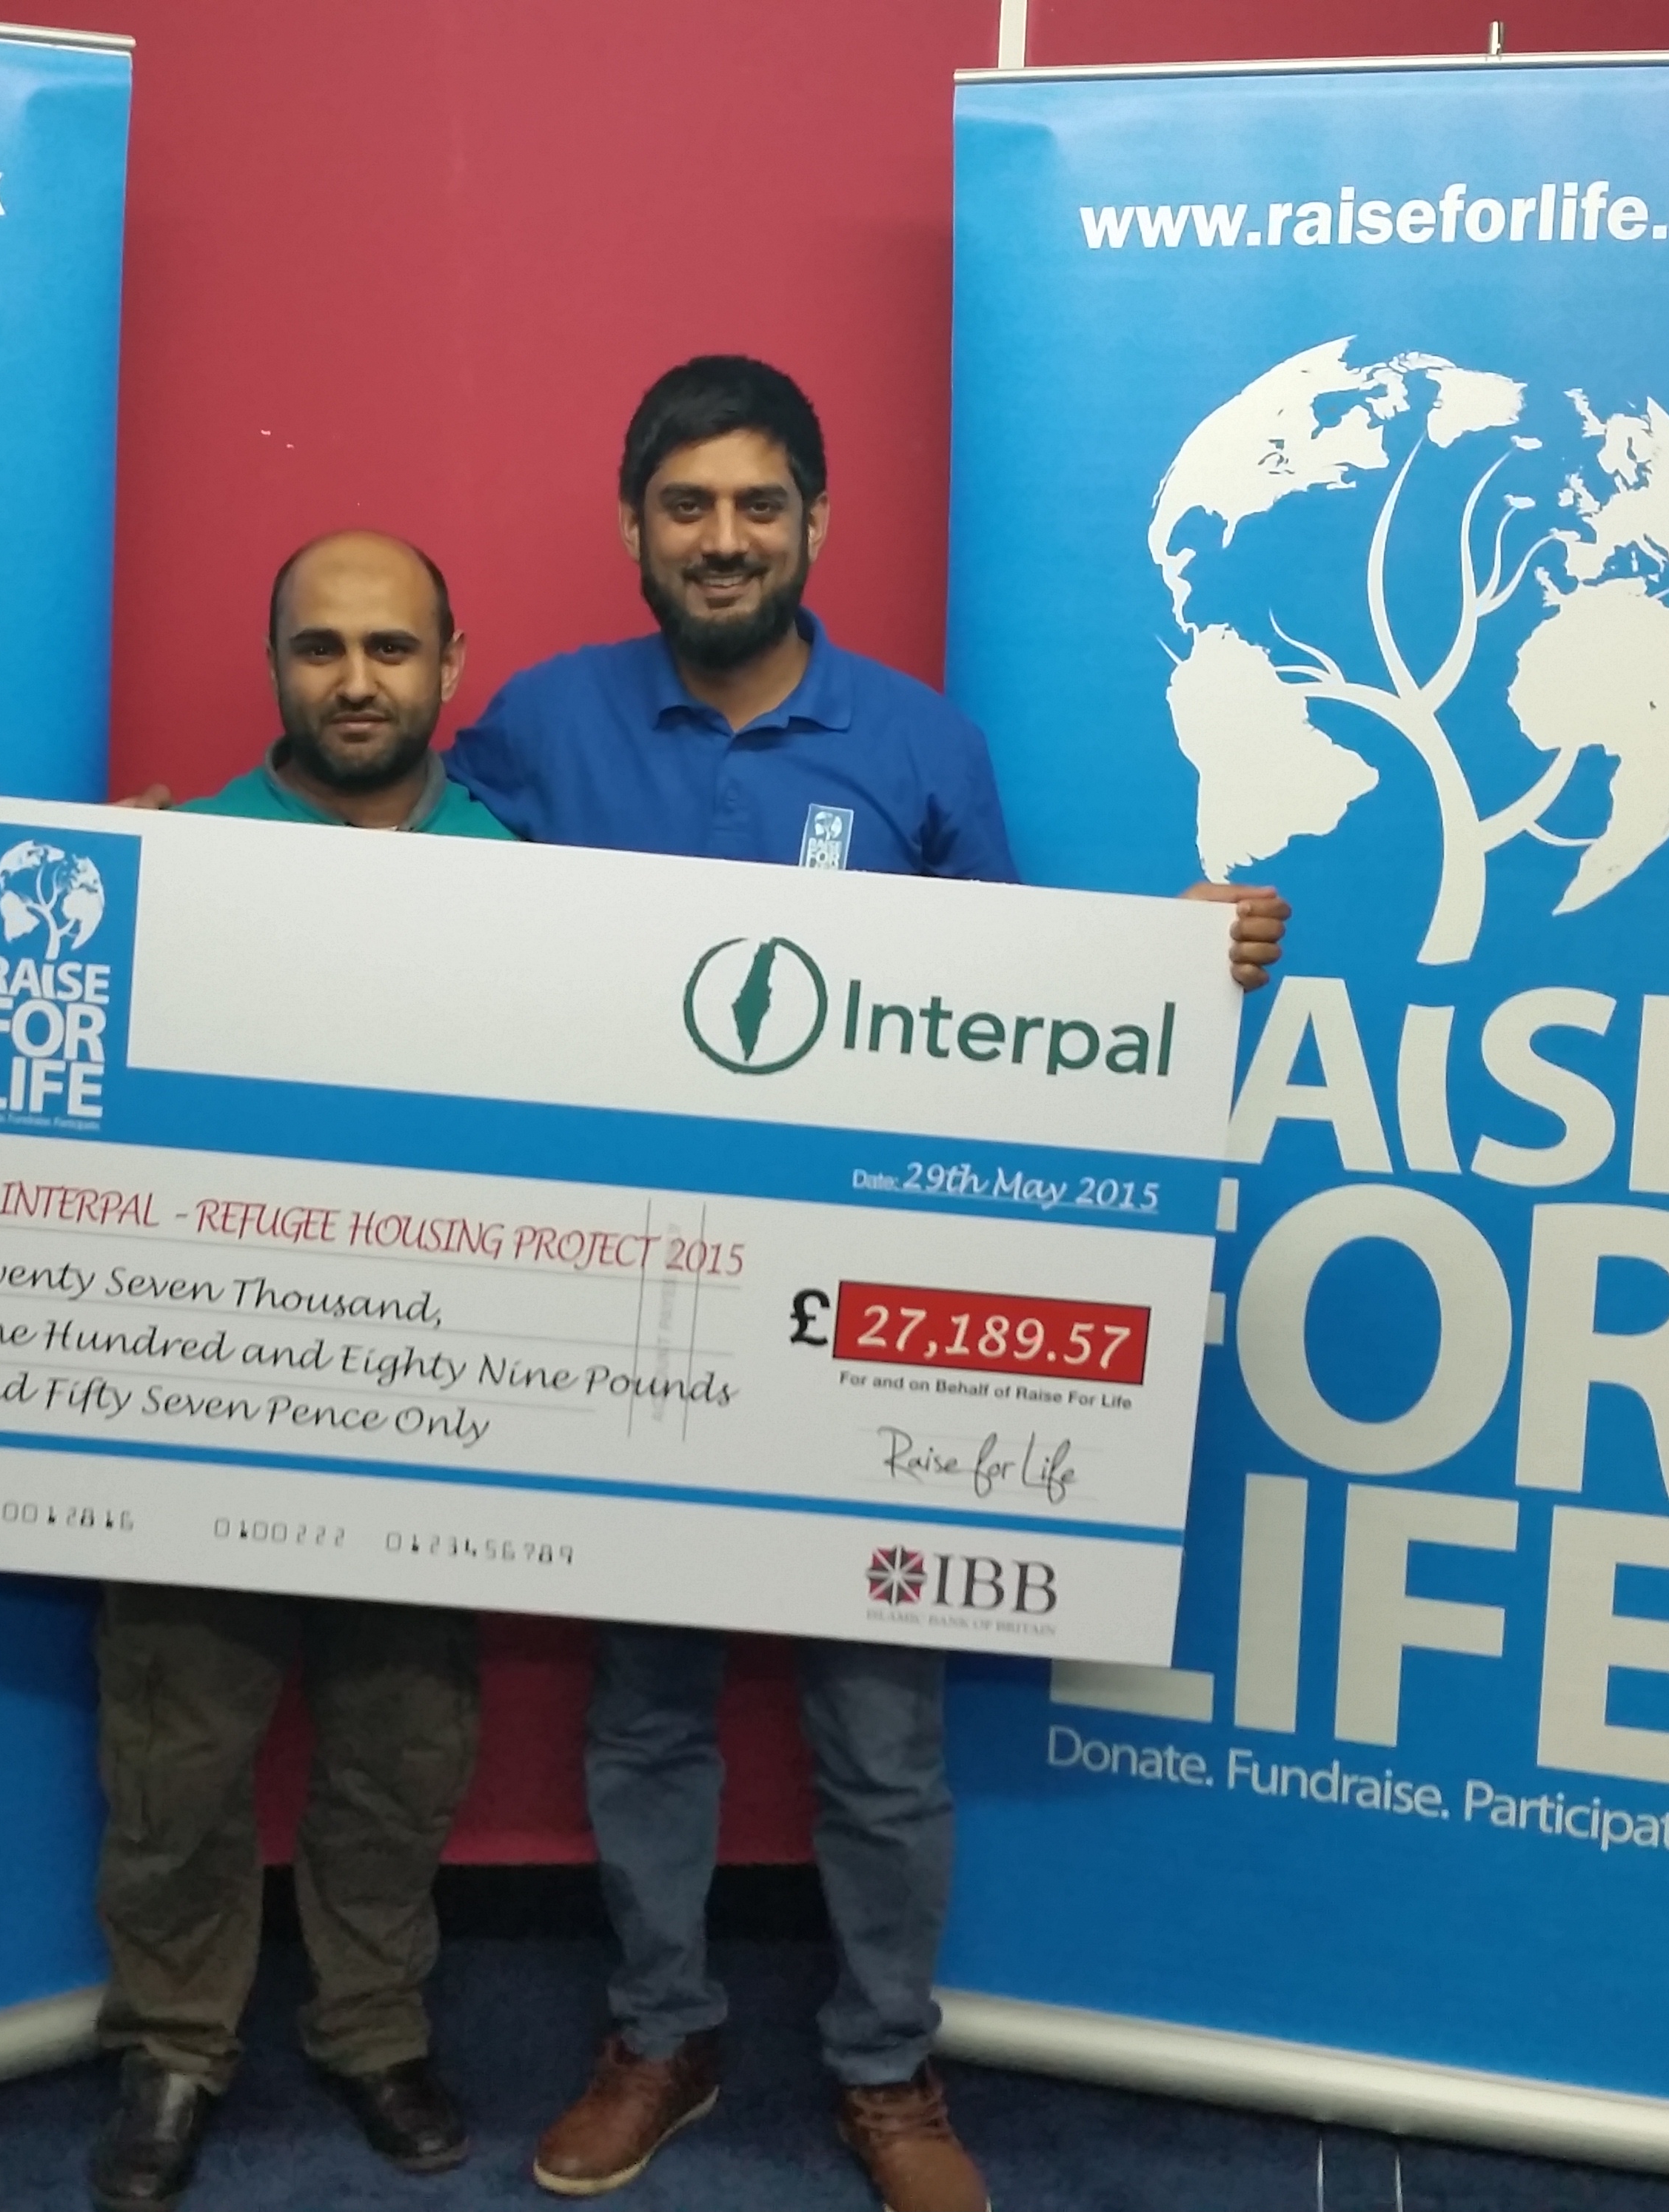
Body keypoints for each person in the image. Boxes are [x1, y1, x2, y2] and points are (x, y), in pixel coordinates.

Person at [447, 357, 1285, 2212]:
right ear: (632, 527)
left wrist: (1169, 968)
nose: (722, 538)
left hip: (859, 1335)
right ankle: (661, 2034)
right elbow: (377, 888)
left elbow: (1015, 1011)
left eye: (758, 504)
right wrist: (133, 863)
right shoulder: (542, 723)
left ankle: (887, 2066)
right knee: (644, 1708)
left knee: (882, 1736)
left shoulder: (919, 745)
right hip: (625, 1311)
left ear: (814, 524)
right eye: (687, 506)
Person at [0, 531, 513, 2212]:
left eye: (392, 648)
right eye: (321, 648)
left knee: (402, 1749)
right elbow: (32, 1054)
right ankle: (170, 2043)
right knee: (173, 1754)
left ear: (451, 666)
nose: (356, 681)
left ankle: (372, 2029)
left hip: (428, 1403)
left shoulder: (531, 879)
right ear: (274, 663)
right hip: (198, 1405)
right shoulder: (165, 857)